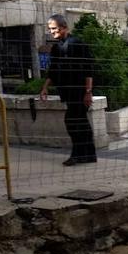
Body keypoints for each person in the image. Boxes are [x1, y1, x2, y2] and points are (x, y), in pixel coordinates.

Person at [39, 14, 97, 165]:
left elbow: (88, 69)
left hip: (79, 91)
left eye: (54, 29)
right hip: (68, 91)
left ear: (64, 27)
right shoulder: (56, 47)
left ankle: (78, 155)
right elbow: (53, 70)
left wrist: (88, 92)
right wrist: (45, 88)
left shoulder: (77, 43)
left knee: (74, 122)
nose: (51, 32)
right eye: (50, 29)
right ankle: (89, 155)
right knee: (80, 122)